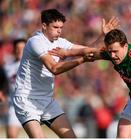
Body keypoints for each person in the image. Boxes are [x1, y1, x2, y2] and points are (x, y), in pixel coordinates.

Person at [12, 8, 119, 138]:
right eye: (55, 27)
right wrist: (81, 60)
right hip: (27, 100)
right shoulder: (36, 42)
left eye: (61, 27)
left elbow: (87, 50)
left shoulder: (60, 42)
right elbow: (54, 68)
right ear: (44, 26)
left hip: (47, 100)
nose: (59, 31)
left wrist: (103, 36)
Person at [50, 29, 131, 138]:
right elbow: (91, 53)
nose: (112, 56)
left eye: (115, 51)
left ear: (125, 46)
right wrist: (66, 53)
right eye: (110, 52)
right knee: (122, 136)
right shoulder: (113, 53)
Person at [4, 38, 26, 138]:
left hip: (32, 105)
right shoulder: (7, 67)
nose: (19, 50)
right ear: (14, 50)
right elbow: (4, 85)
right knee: (11, 136)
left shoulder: (33, 65)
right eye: (17, 48)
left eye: (22, 48)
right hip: (14, 106)